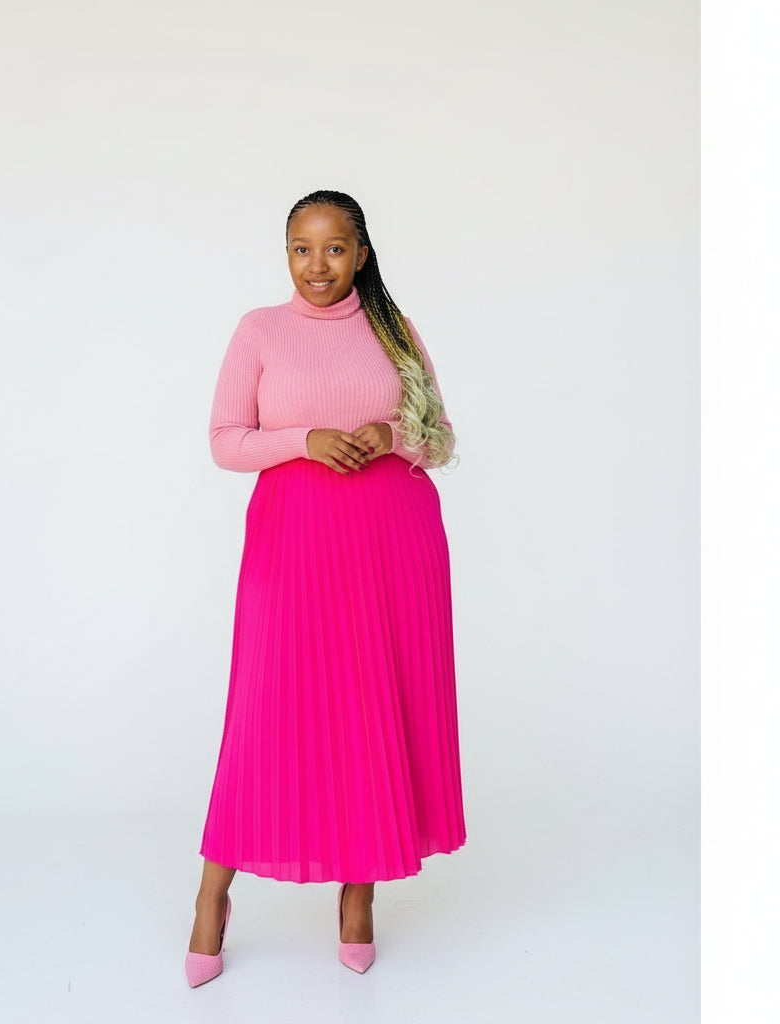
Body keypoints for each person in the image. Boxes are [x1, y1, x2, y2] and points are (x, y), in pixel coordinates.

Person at [184, 189, 466, 988]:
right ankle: (212, 896)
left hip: (393, 540)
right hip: (295, 538)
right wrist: (304, 441)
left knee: (377, 704)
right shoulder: (259, 331)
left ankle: (359, 896)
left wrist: (391, 434)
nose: (317, 266)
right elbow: (225, 442)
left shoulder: (394, 330)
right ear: (285, 254)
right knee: (266, 708)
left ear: (362, 254)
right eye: (301, 249)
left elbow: (440, 436)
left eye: (335, 248)